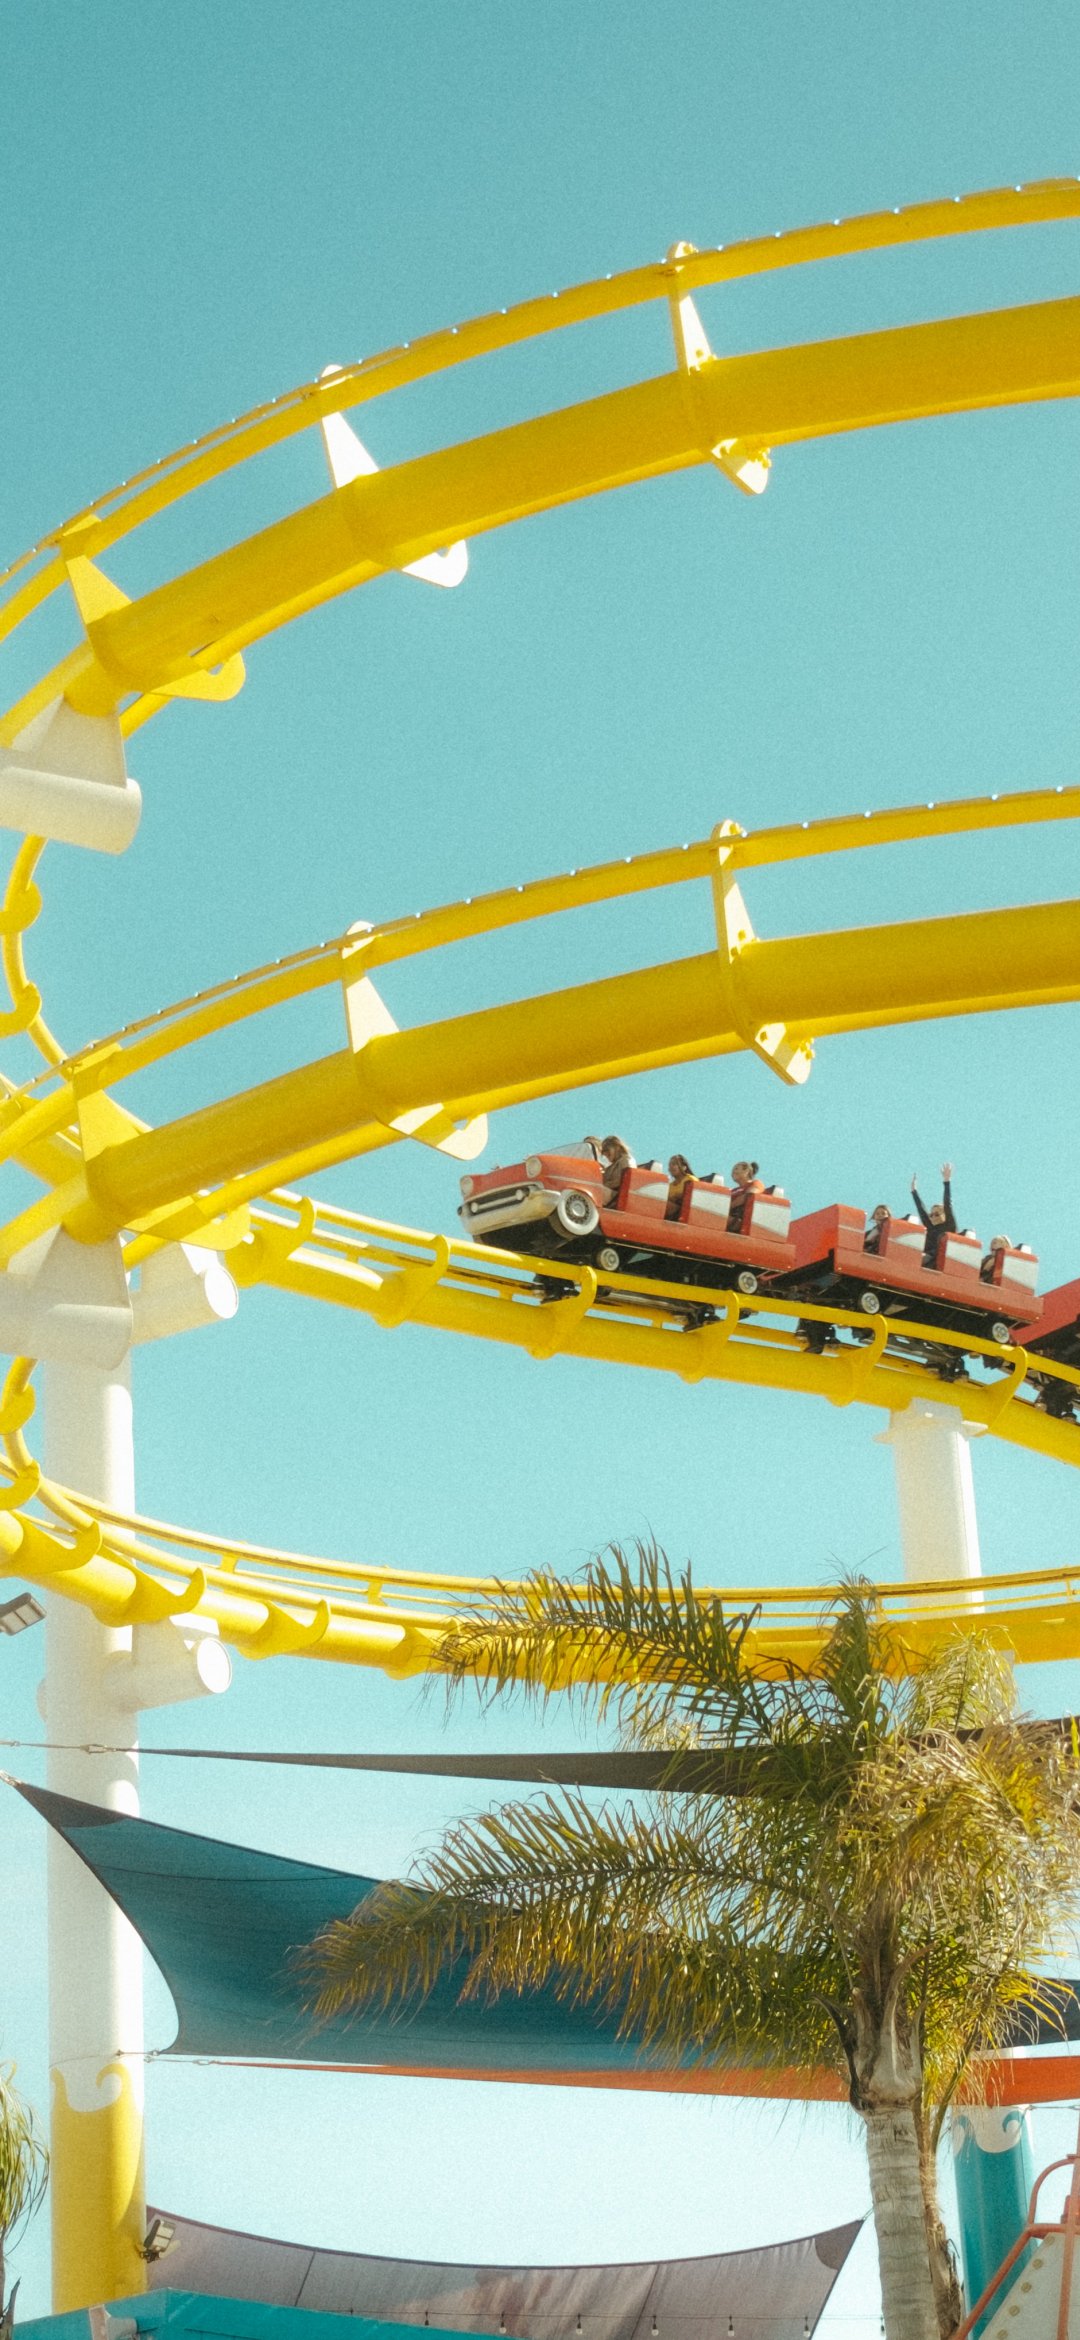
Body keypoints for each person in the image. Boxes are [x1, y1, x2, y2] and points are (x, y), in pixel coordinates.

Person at [910, 1162, 955, 1269]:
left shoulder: (949, 1226)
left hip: (935, 1259)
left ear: (944, 1215)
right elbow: (921, 1210)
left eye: (937, 1214)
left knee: (915, 1258)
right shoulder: (930, 1227)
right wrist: (914, 1191)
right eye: (931, 1215)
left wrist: (947, 1182)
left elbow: (947, 1204)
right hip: (924, 1256)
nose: (933, 1217)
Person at [599, 1134, 634, 1208]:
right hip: (610, 1193)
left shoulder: (626, 1160)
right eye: (603, 1151)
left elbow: (626, 1180)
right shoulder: (611, 1166)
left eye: (607, 1150)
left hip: (616, 1196)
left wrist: (605, 1184)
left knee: (593, 1189)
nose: (605, 1154)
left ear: (617, 1147)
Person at [728, 1159, 763, 1235]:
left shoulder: (755, 1183)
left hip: (738, 1219)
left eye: (736, 1169)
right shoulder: (734, 1190)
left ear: (746, 1171)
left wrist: (727, 1207)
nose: (733, 1172)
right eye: (732, 1171)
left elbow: (748, 1195)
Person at [666, 1153, 695, 1220]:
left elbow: (692, 1197)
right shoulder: (670, 1185)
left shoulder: (690, 1179)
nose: (670, 1167)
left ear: (684, 1167)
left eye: (674, 1164)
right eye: (669, 1165)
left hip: (681, 1212)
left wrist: (676, 1197)